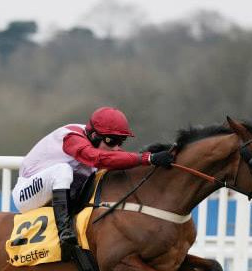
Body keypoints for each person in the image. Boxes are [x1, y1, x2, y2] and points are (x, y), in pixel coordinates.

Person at [12, 106, 175, 257]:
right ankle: (64, 233)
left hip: (55, 193)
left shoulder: (96, 140)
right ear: (94, 136)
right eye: (111, 141)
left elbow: (120, 159)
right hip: (26, 193)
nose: (116, 148)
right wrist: (148, 158)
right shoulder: (72, 138)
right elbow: (97, 158)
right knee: (63, 170)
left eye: (120, 142)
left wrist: (153, 160)